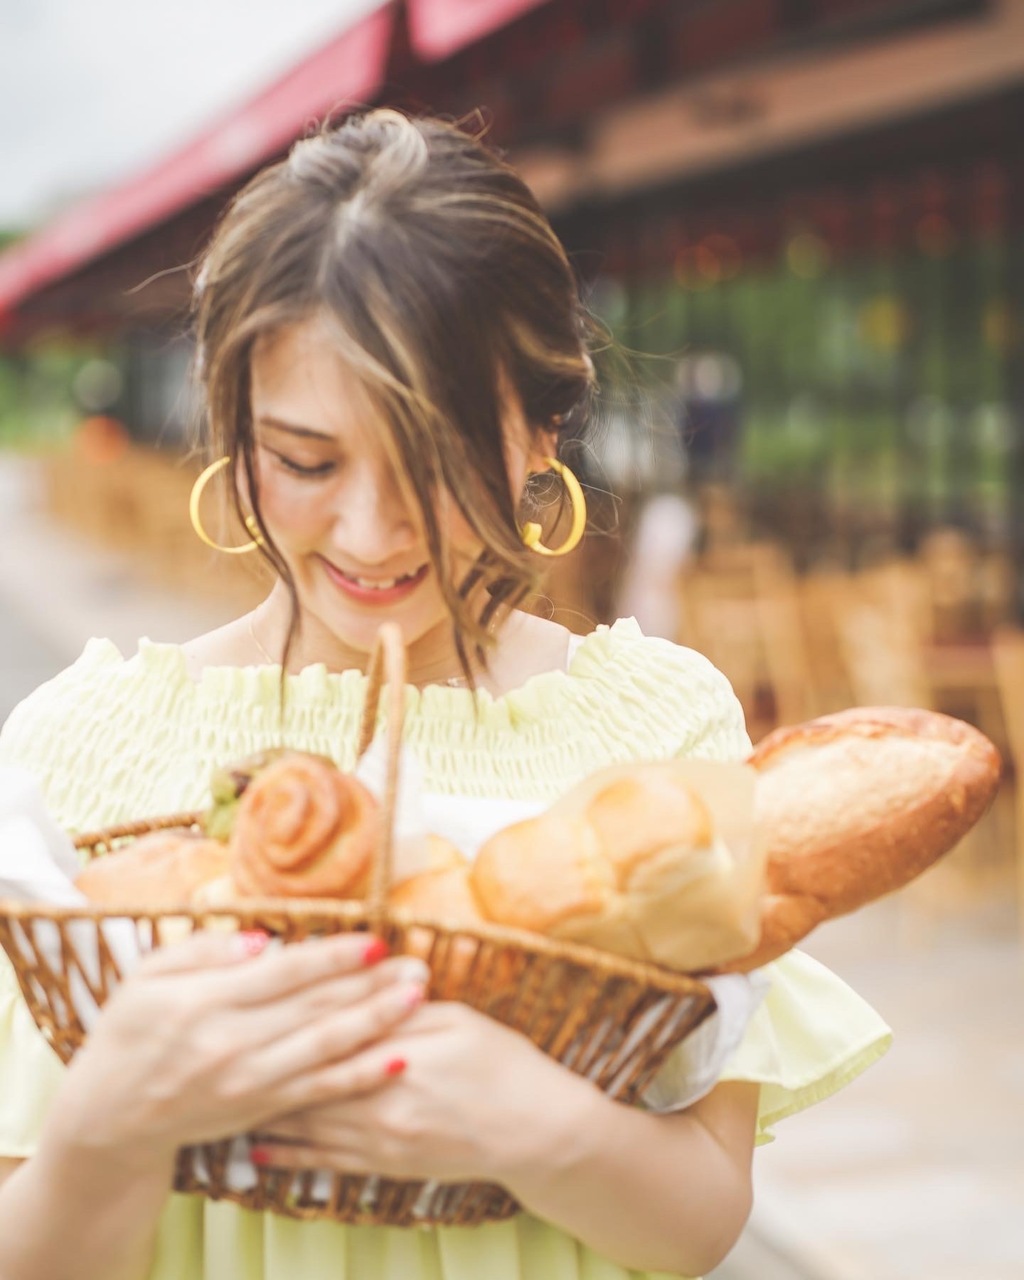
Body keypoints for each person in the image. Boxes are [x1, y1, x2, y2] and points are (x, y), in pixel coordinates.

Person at [0, 110, 891, 1280]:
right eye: (308, 461)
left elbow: (699, 1217)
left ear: (542, 432)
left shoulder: (655, 732)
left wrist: (526, 1122)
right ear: (233, 429)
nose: (372, 531)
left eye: (438, 460)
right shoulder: (87, 746)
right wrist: (107, 1127)